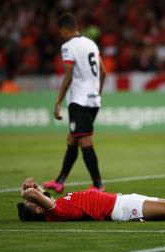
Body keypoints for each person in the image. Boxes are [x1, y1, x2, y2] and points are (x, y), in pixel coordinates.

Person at [43, 13, 107, 193]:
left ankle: (98, 185)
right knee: (73, 138)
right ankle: (60, 180)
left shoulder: (68, 46)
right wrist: (97, 93)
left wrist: (58, 102)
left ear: (64, 29)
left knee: (85, 140)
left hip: (79, 101)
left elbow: (68, 75)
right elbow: (103, 72)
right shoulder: (91, 43)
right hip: (93, 100)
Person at [17, 178, 165, 222]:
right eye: (33, 204)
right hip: (122, 210)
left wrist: (35, 187)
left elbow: (41, 194)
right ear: (38, 211)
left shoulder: (54, 204)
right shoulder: (54, 211)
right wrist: (26, 192)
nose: (36, 198)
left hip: (124, 200)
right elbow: (35, 196)